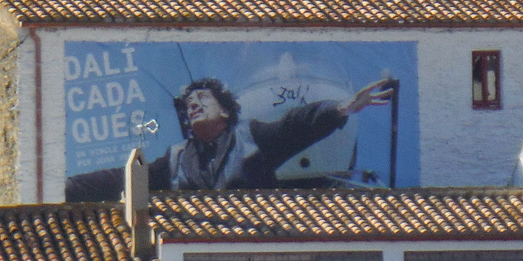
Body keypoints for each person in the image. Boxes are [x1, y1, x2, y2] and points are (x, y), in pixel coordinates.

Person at [64, 76, 394, 200]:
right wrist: (66, 188)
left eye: (202, 99)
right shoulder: (177, 157)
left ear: (225, 111)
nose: (193, 105)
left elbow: (295, 125)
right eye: (190, 103)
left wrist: (342, 108)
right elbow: (126, 178)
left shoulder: (251, 137)